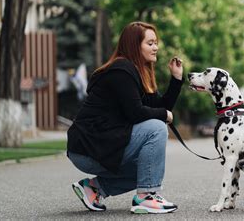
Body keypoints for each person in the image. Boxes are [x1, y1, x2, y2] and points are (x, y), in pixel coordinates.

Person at [67, 21, 183, 214]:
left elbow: (160, 106)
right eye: (150, 43)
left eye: (156, 43)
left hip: (100, 146)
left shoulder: (136, 73)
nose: (156, 47)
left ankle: (94, 189)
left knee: (149, 167)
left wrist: (176, 79)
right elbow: (136, 113)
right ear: (134, 45)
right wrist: (164, 115)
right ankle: (146, 197)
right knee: (156, 128)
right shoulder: (121, 70)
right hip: (88, 147)